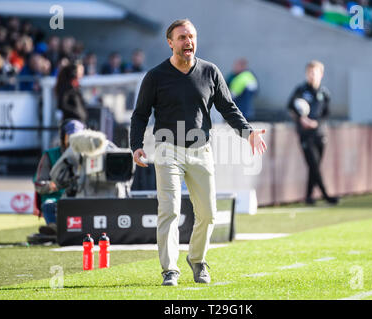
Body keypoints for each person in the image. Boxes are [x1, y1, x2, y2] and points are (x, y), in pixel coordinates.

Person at [130, 19, 267, 287]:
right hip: (167, 149)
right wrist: (136, 145)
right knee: (169, 210)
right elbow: (140, 115)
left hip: (201, 150)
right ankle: (170, 270)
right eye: (181, 37)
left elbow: (228, 108)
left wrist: (248, 132)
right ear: (170, 43)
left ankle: (197, 260)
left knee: (208, 213)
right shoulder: (155, 76)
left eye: (191, 36)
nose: (187, 42)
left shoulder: (210, 72)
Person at [287, 60, 339, 205]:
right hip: (305, 134)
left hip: (320, 134)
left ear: (321, 74)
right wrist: (301, 119)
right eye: (309, 72)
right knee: (314, 164)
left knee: (314, 166)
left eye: (314, 72)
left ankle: (309, 196)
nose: (311, 75)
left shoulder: (324, 93)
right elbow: (290, 107)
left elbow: (326, 114)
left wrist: (316, 123)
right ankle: (326, 195)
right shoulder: (300, 90)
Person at [33, 119, 85, 236]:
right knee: (48, 205)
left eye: (77, 136)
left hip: (81, 197)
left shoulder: (88, 156)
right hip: (56, 200)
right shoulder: (49, 155)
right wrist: (52, 186)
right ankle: (54, 228)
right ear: (63, 137)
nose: (73, 140)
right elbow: (38, 183)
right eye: (70, 136)